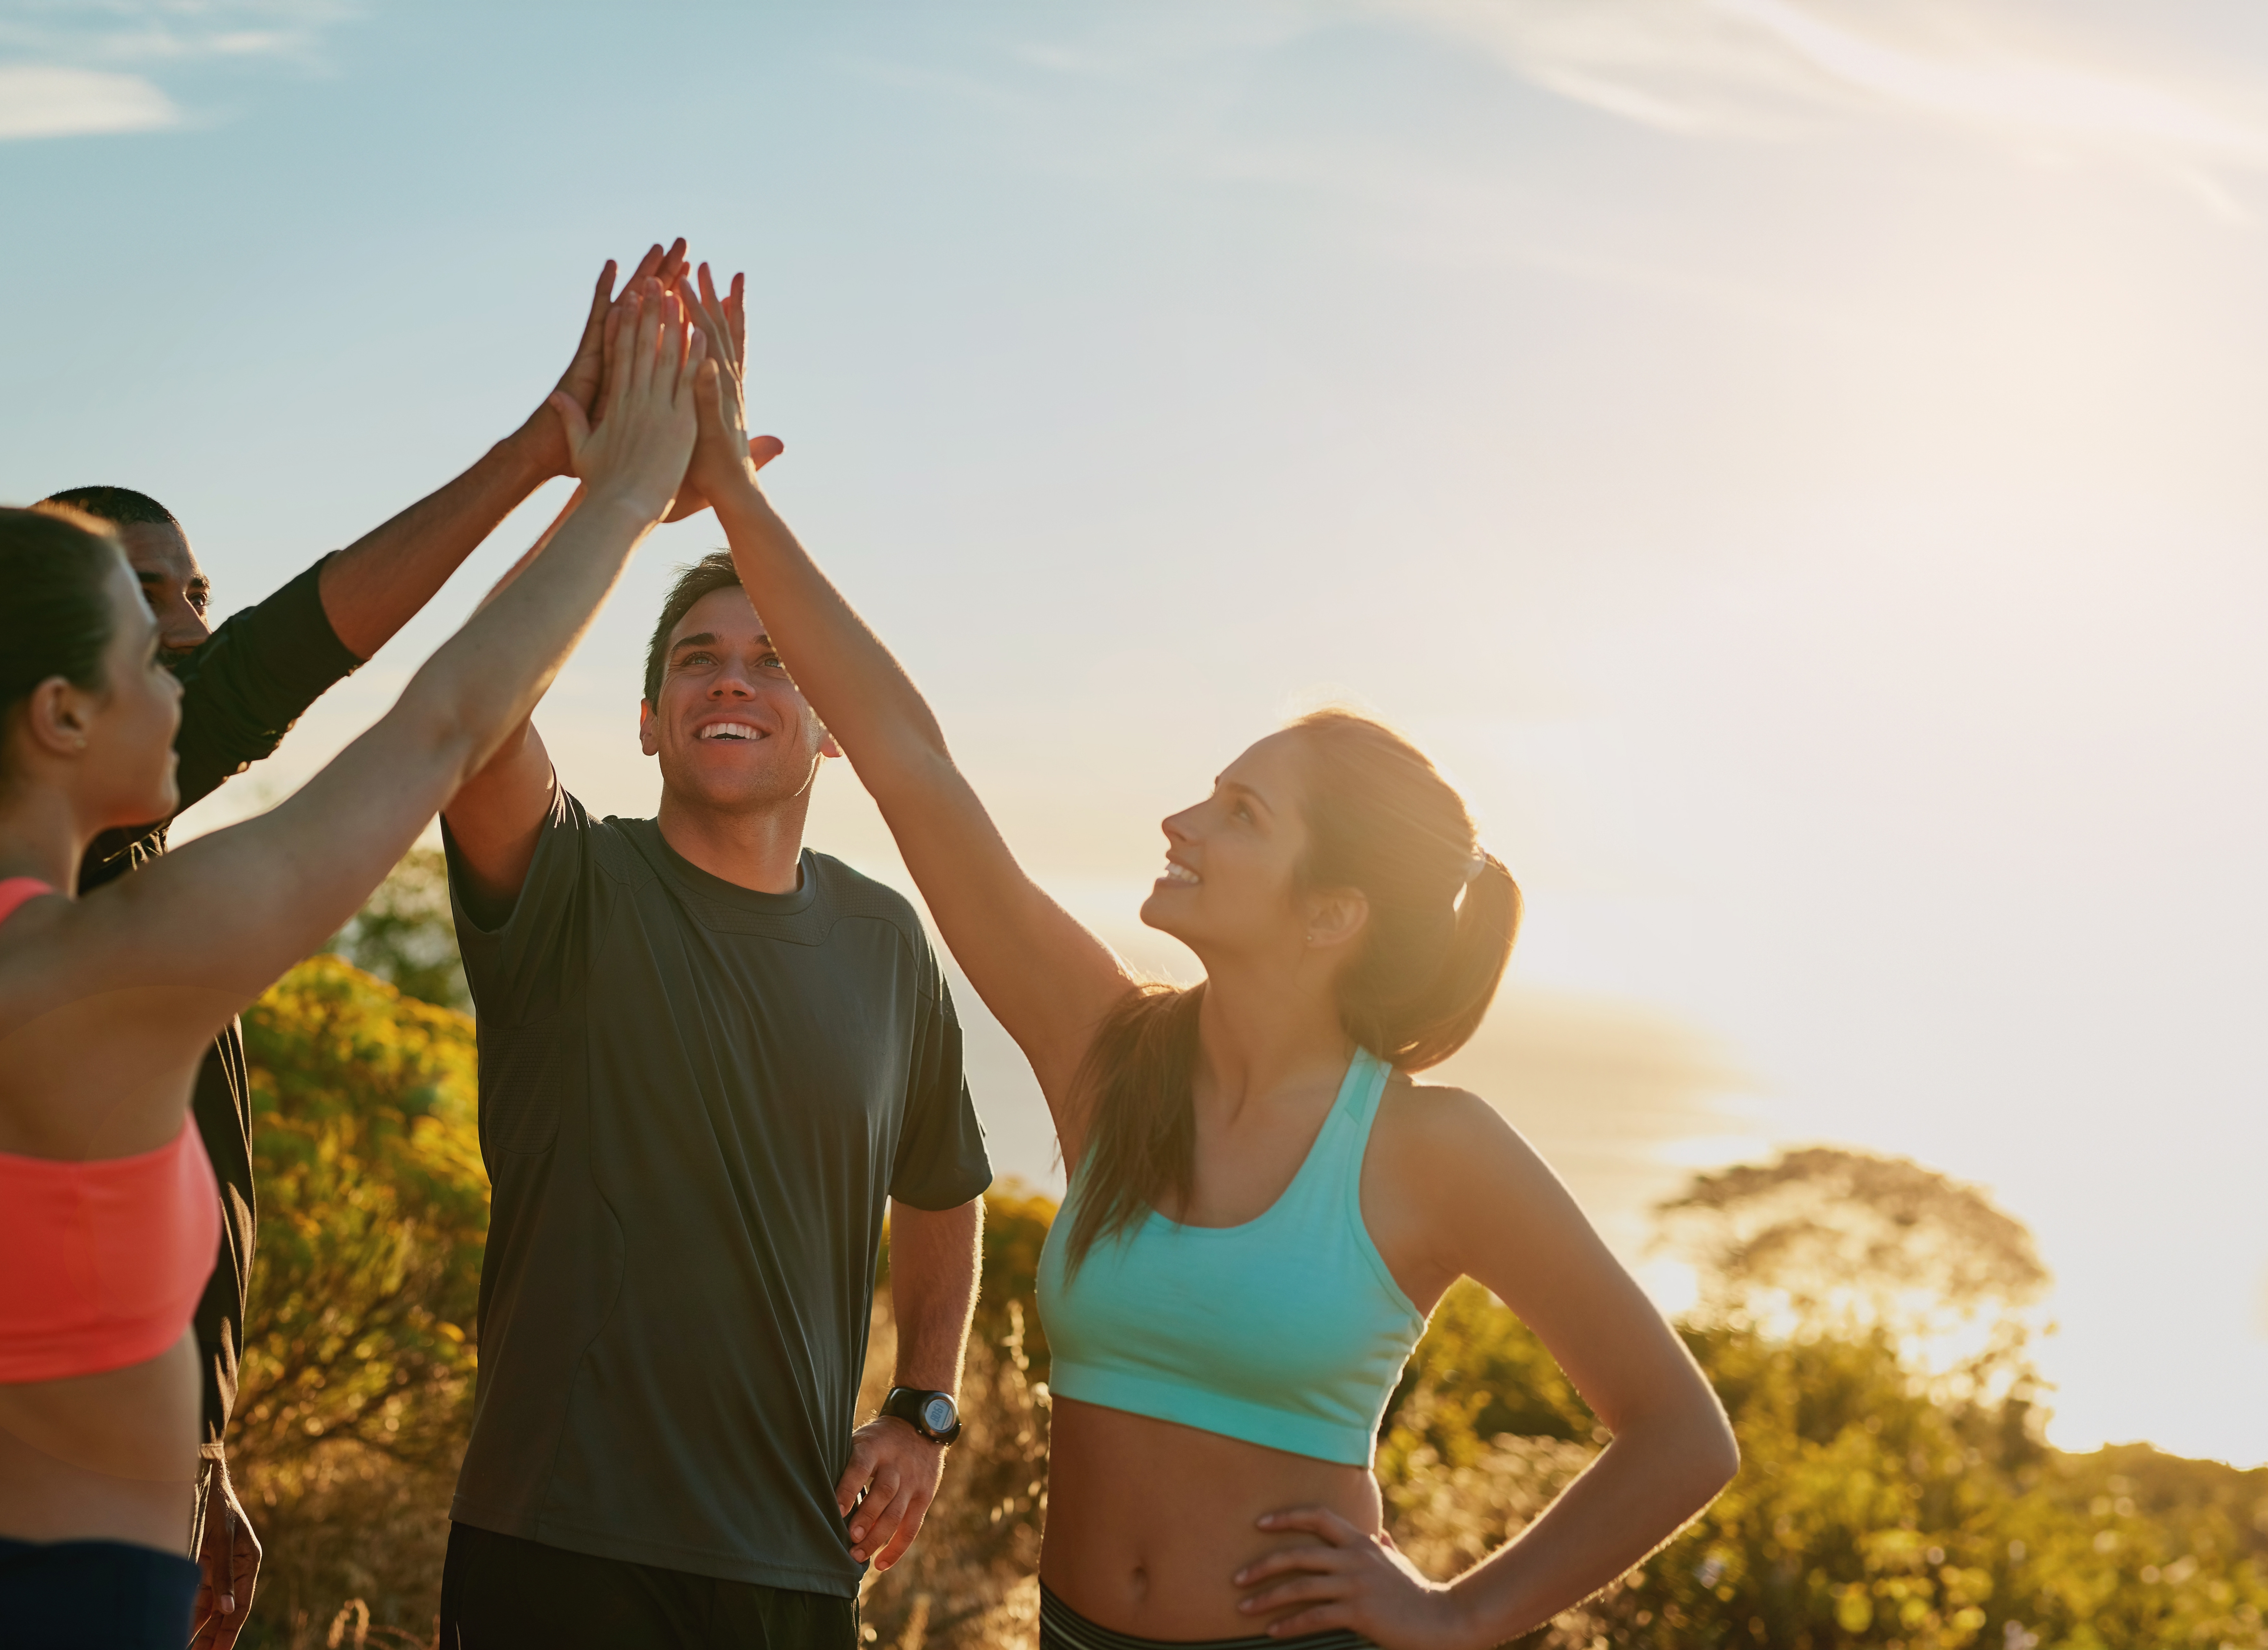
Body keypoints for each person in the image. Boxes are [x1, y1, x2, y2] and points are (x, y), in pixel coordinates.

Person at [0, 280, 708, 1649]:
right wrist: (622, 492)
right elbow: (447, 726)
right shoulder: (107, 968)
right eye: (145, 656)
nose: (184, 683)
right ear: (58, 715)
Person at [672, 270, 1741, 1650]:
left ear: (1331, 913)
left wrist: (1459, 1614)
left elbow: (1679, 1436)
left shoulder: (1434, 1151)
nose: (1181, 822)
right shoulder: (1110, 1056)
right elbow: (915, 769)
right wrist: (737, 501)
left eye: (1241, 815)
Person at [32, 238, 782, 1645]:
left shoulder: (104, 857)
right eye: (156, 598)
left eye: (202, 593)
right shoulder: (67, 896)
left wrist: (203, 1455)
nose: (198, 632)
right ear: (44, 654)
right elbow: (387, 697)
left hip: (127, 1493)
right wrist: (604, 486)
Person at [432, 269, 993, 1650]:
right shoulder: (567, 882)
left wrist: (925, 1403)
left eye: (772, 659)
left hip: (794, 1564)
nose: (732, 678)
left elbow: (943, 1187)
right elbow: (474, 708)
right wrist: (611, 489)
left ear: (836, 724)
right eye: (695, 658)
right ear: (646, 720)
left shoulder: (887, 940)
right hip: (551, 1542)